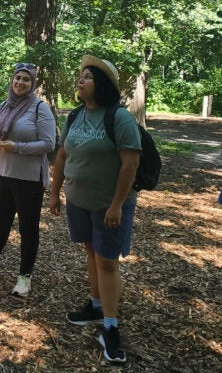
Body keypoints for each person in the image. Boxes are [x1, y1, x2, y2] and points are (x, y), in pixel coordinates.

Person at [49, 55, 141, 364]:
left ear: (100, 85)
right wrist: (54, 193)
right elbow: (61, 156)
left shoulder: (119, 118)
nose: (80, 80)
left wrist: (116, 205)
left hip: (110, 206)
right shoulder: (75, 116)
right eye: (81, 75)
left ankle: (111, 328)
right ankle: (96, 305)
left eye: (87, 76)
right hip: (79, 201)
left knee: (108, 263)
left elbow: (131, 164)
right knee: (91, 252)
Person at [0, 62, 56, 297]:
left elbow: (49, 143)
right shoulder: (4, 106)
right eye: (17, 78)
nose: (20, 83)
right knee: (0, 223)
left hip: (28, 179)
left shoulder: (39, 109)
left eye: (26, 79)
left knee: (28, 228)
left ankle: (25, 277)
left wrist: (18, 147)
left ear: (32, 83)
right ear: (12, 80)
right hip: (2, 174)